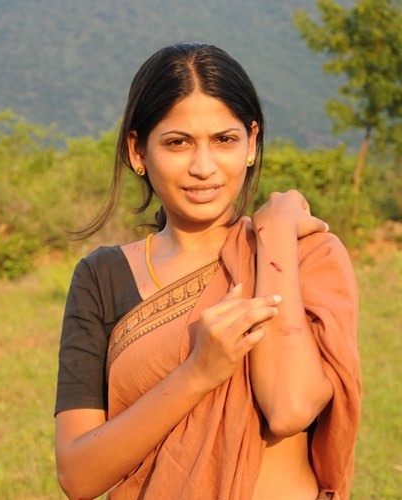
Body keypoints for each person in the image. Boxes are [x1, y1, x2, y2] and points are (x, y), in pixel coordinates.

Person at [54, 42, 360, 499]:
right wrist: (197, 372)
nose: (203, 167)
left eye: (224, 140)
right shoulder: (102, 277)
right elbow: (78, 475)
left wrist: (272, 232)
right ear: (138, 151)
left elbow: (289, 407)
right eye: (177, 143)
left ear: (252, 143)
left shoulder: (304, 254)